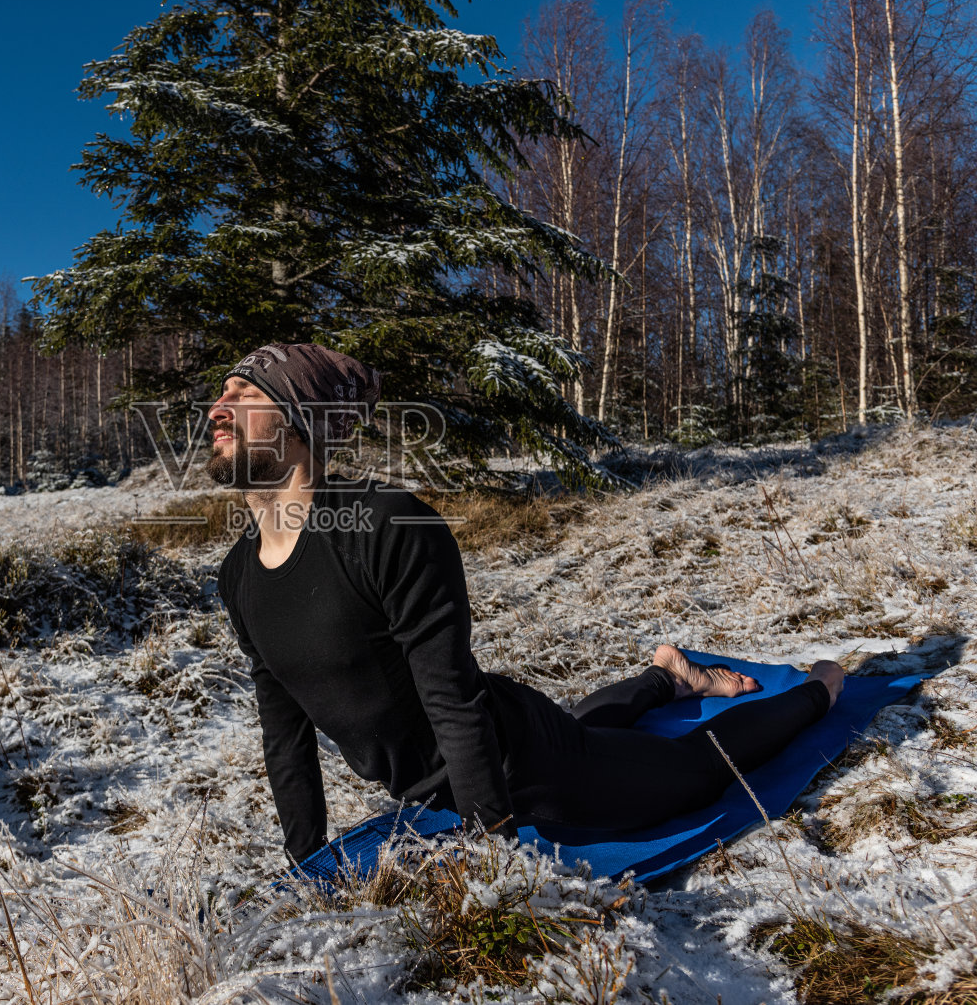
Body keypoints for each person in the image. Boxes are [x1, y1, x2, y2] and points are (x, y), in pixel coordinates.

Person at [210, 341, 847, 867]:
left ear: (300, 422)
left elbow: (452, 699)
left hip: (530, 768)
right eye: (222, 391)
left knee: (695, 771)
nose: (219, 406)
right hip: (447, 780)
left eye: (246, 394)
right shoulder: (239, 574)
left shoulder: (387, 528)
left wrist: (492, 858)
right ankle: (667, 678)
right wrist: (306, 864)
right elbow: (283, 730)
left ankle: (821, 689)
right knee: (586, 726)